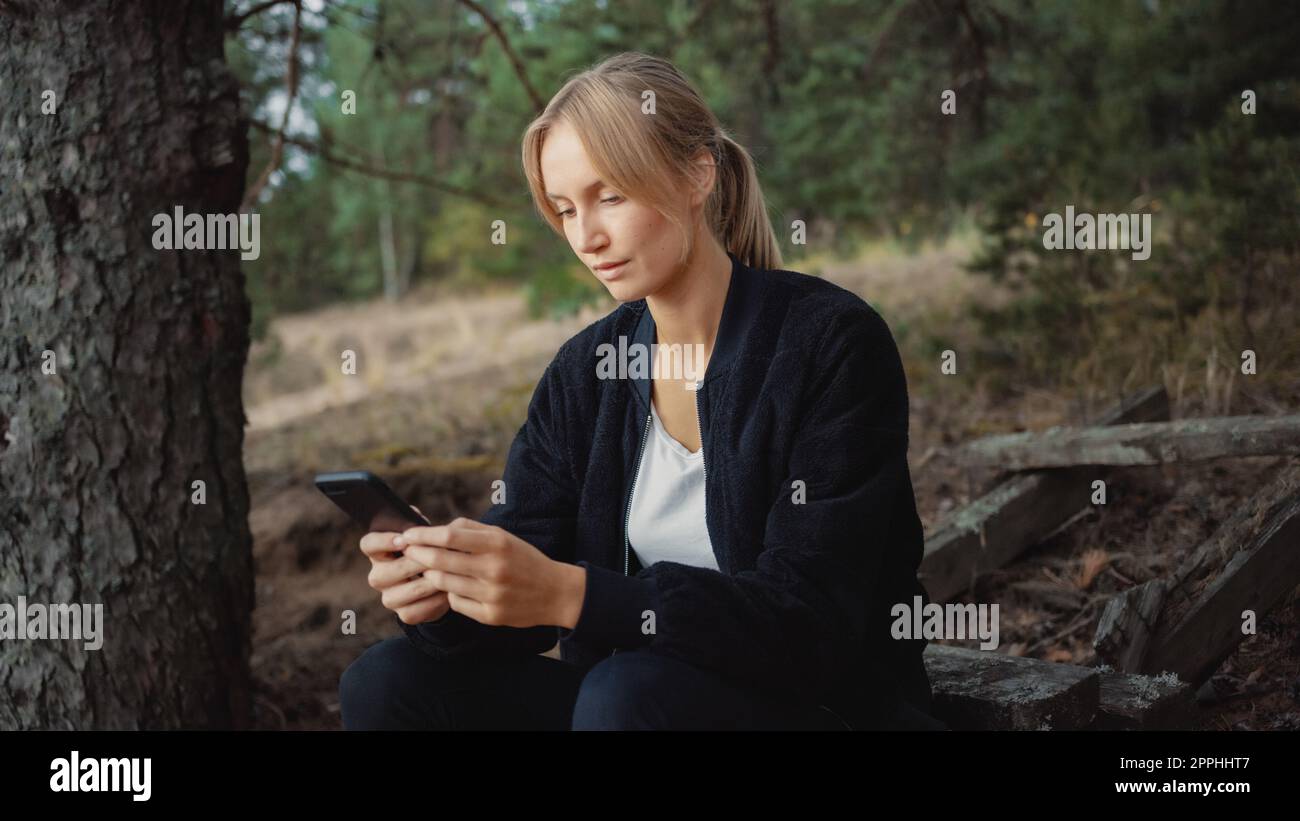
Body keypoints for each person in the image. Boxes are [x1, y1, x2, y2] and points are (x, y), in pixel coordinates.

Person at [339, 51, 946, 731]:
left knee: (625, 694)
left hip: (820, 705)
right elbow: (521, 594)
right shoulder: (585, 373)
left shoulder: (828, 343)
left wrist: (578, 594)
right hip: (627, 705)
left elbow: (810, 628)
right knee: (387, 682)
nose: (587, 237)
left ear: (697, 174)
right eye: (565, 210)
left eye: (611, 196)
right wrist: (445, 595)